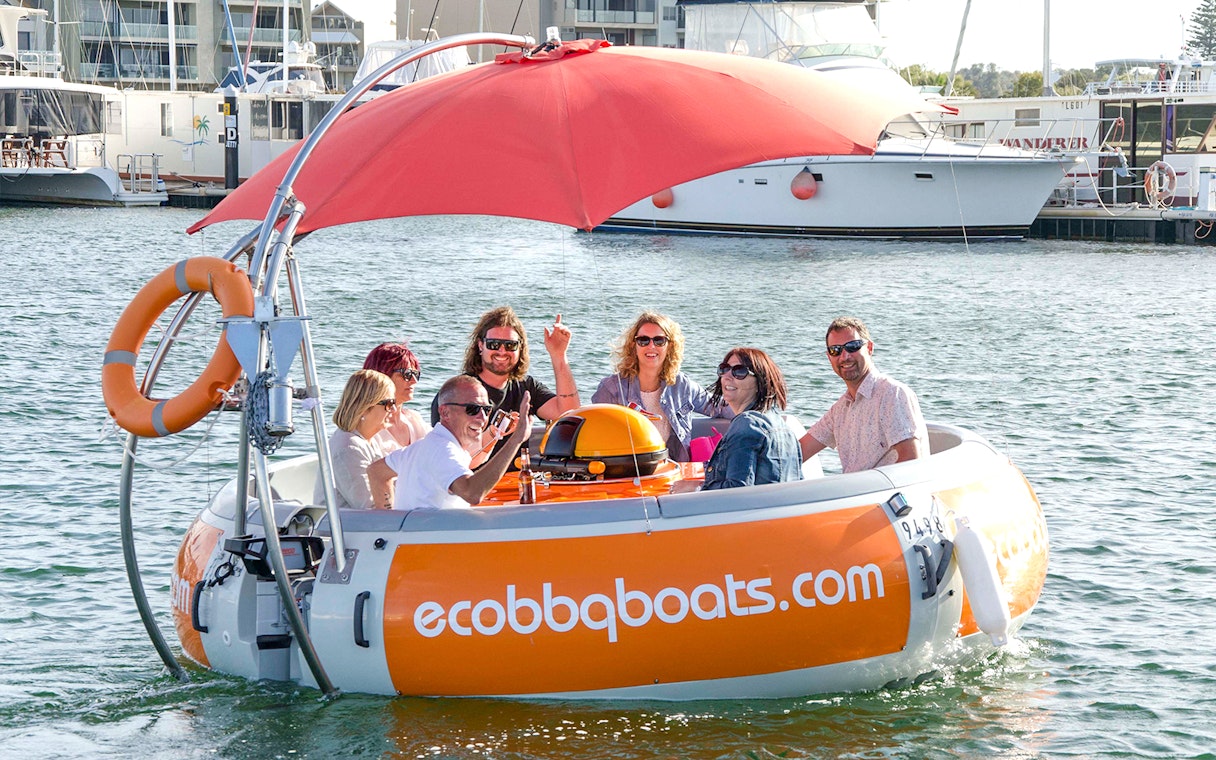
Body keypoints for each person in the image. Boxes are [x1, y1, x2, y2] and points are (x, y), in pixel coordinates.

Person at [431, 306, 580, 464]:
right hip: (470, 485)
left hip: (516, 482)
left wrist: (559, 356)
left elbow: (570, 413)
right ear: (480, 346)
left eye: (510, 345)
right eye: (494, 344)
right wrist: (495, 432)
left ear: (519, 348)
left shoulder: (526, 388)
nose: (502, 352)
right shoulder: (458, 393)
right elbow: (449, 458)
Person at [371, 375, 532, 510]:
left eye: (487, 409)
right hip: (432, 545)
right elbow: (472, 493)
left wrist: (390, 522)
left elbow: (377, 472)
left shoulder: (425, 445)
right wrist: (516, 440)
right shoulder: (443, 450)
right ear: (445, 412)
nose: (483, 418)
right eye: (473, 409)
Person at [591, 311, 729, 461]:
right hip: (627, 472)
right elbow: (595, 433)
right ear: (633, 346)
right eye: (643, 340)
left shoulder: (682, 386)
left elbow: (720, 407)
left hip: (674, 472)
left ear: (669, 346)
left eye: (659, 341)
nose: (651, 346)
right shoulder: (611, 389)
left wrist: (752, 411)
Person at [799, 316, 929, 473]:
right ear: (829, 357)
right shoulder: (840, 410)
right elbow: (799, 452)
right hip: (853, 494)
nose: (844, 356)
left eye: (852, 346)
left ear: (869, 348)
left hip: (886, 496)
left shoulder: (892, 394)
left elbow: (911, 460)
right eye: (836, 350)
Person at [672, 347, 802, 492]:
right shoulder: (783, 426)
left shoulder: (747, 424)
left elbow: (737, 491)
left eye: (739, 371)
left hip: (753, 512)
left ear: (760, 382)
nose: (727, 376)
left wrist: (694, 488)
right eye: (724, 369)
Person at [314, 369, 397, 509]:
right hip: (347, 529)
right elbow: (369, 506)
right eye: (389, 404)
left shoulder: (371, 439)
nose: (394, 409)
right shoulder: (348, 448)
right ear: (365, 407)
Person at [363, 342, 431, 452]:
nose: (414, 380)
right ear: (382, 374)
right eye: (407, 374)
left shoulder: (414, 420)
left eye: (416, 374)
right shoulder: (367, 428)